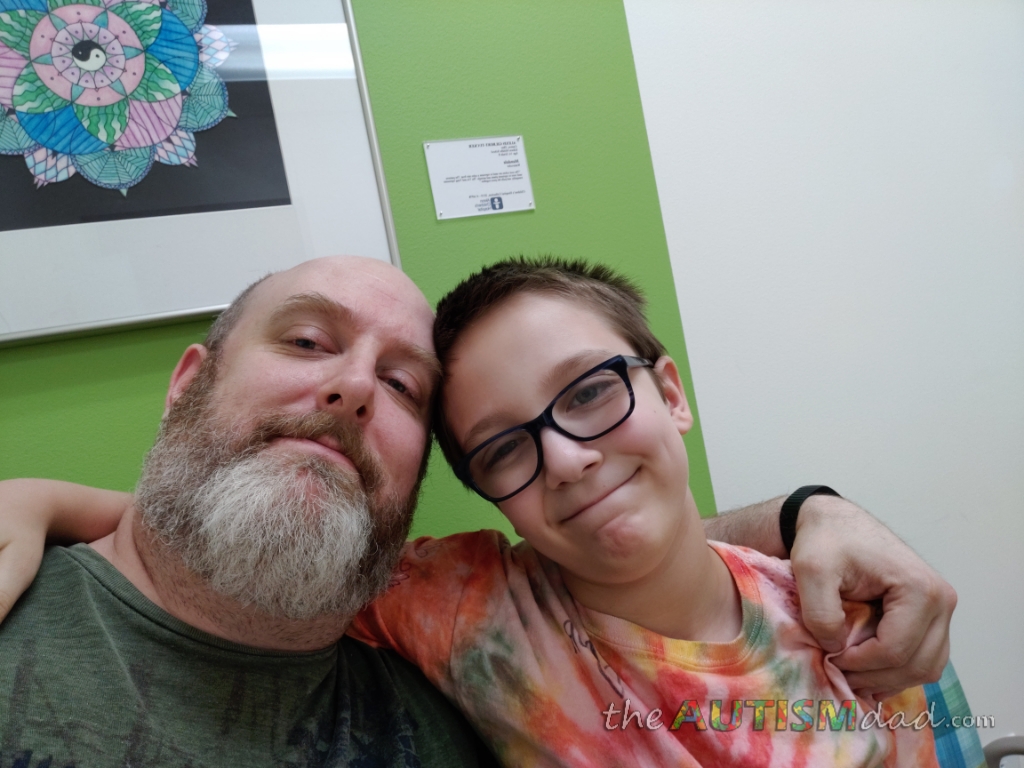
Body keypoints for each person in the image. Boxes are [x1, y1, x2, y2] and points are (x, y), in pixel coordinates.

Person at [0, 257, 959, 764]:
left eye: (402, 386)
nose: (568, 459)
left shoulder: (862, 626)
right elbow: (226, 519)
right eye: (305, 341)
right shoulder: (467, 612)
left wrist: (812, 510)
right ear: (188, 384)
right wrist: (38, 499)